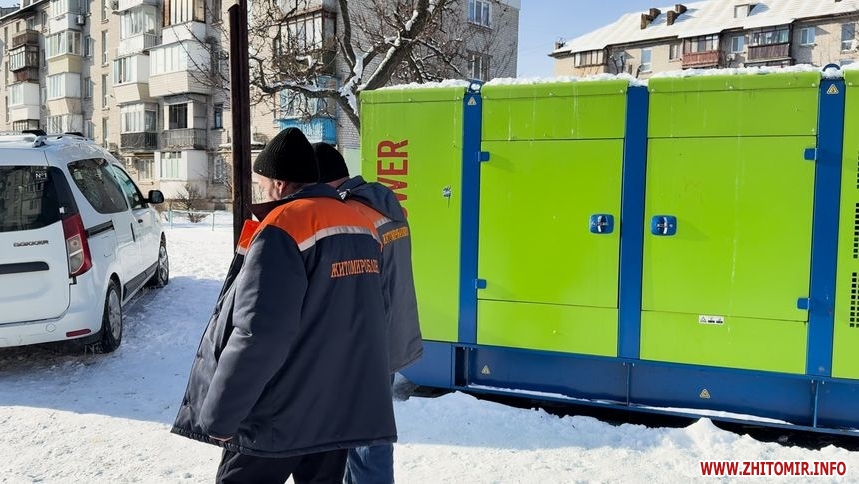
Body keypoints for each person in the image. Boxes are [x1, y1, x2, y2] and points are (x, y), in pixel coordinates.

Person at [172, 127, 396, 484]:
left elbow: (260, 332)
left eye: (263, 183)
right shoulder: (361, 225)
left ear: (279, 183)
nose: (263, 190)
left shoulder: (283, 226)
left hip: (278, 415)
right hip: (335, 410)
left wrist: (221, 417)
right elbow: (370, 317)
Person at [313, 142, 423, 484]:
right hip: (390, 334)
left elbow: (348, 287)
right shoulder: (382, 202)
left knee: (365, 445)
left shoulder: (352, 214)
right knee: (363, 437)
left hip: (366, 346)